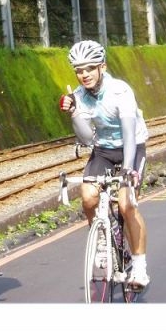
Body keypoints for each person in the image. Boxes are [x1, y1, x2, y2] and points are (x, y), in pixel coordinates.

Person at [58, 40, 150, 289]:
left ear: (102, 67)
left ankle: (139, 267)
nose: (84, 75)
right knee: (88, 197)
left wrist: (128, 170)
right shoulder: (78, 96)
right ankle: (102, 242)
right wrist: (74, 112)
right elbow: (87, 139)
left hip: (132, 147)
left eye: (89, 68)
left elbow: (129, 133)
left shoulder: (120, 91)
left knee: (126, 204)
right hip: (103, 150)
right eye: (79, 70)